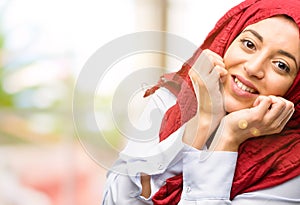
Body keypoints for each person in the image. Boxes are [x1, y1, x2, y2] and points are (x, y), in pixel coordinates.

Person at [102, 0, 300, 204]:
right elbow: (115, 200)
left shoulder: (291, 166)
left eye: (281, 65)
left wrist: (228, 137)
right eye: (249, 44)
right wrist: (202, 121)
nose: (253, 68)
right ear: (229, 38)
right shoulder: (172, 99)